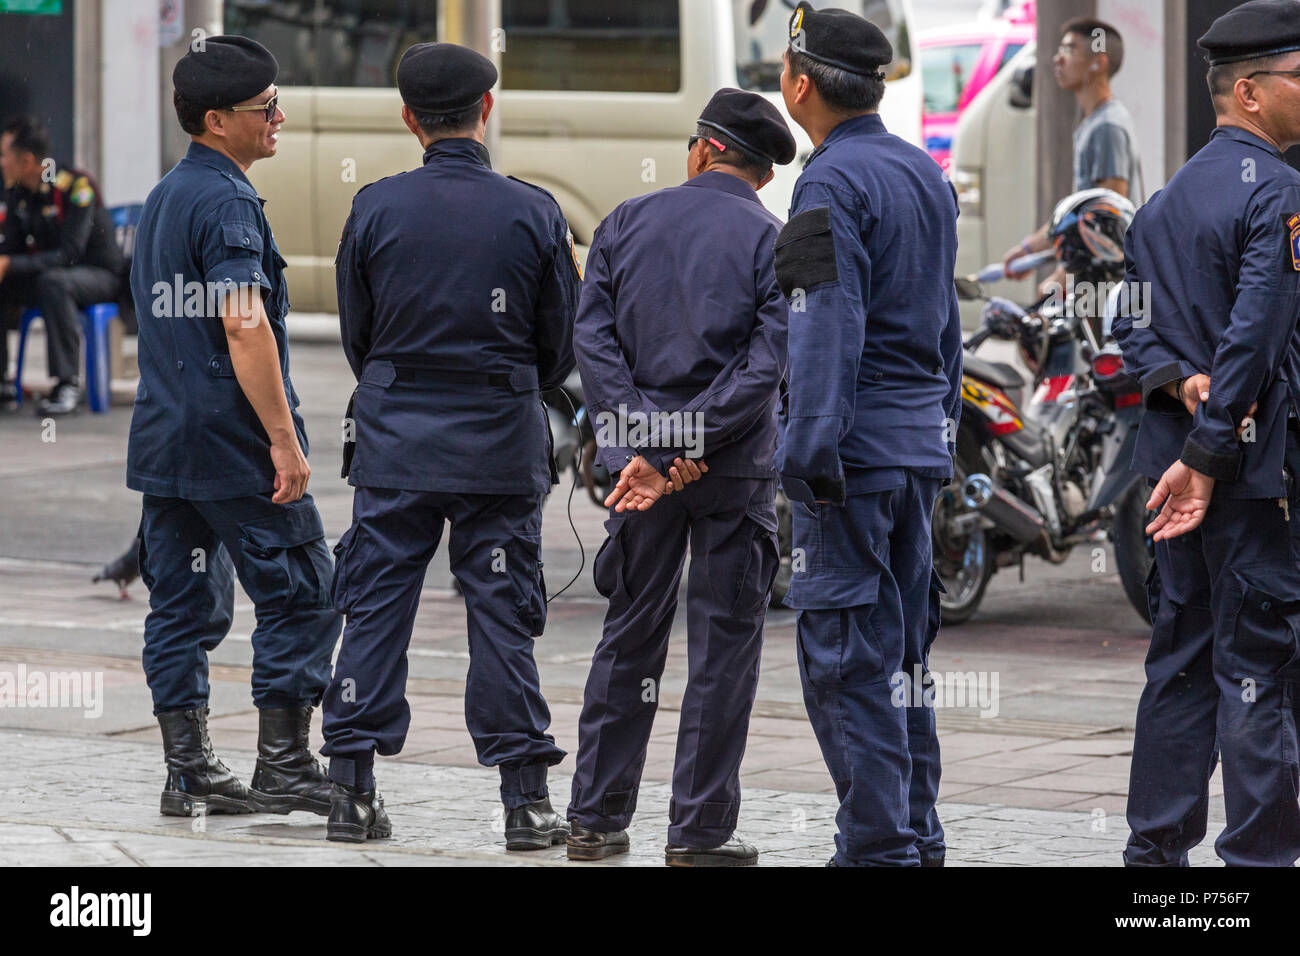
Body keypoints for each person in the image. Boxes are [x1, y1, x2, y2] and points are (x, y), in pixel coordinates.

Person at [321, 42, 579, 848]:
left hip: (396, 445)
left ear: (409, 119)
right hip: (498, 449)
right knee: (502, 615)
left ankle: (352, 793)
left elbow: (359, 339)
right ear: (486, 110)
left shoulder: (374, 208)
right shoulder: (532, 210)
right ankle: (526, 803)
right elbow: (559, 351)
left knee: (374, 611)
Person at [565, 88, 795, 867]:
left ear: (700, 148)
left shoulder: (626, 221)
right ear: (762, 174)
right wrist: (683, 445)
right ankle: (697, 835)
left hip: (636, 471)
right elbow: (767, 366)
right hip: (731, 471)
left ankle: (593, 821)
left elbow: (590, 336)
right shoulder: (773, 238)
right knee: (723, 653)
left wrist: (641, 441)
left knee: (629, 639)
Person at [128, 36, 340, 819]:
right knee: (306, 591)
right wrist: (283, 441)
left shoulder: (166, 195)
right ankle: (283, 763)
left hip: (167, 437)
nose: (279, 117)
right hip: (229, 439)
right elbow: (244, 325)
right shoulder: (225, 200)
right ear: (217, 120)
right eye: (265, 109)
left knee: (182, 603)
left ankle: (189, 770)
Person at [1112, 0, 1300, 867]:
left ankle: (1155, 860)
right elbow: (1258, 330)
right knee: (1257, 663)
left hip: (1170, 479)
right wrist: (1214, 443)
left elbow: (1130, 328)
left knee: (1179, 659)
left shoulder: (1164, 201)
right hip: (1244, 476)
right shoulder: (1284, 194)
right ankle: (1259, 864)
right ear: (1252, 93)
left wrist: (1178, 385)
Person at [776, 2, 963, 867]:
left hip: (849, 458)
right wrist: (941, 432)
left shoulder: (827, 184)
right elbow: (945, 318)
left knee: (849, 664)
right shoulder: (923, 173)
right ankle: (916, 837)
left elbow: (826, 322)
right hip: (916, 449)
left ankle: (876, 850)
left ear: (799, 83)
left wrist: (808, 453)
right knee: (903, 660)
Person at [1001, 17, 1143, 293]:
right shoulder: (1095, 122)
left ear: (1098, 63)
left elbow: (1106, 217)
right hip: (1094, 278)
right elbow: (1077, 215)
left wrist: (1062, 276)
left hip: (1106, 285)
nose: (1057, 59)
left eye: (1069, 50)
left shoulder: (1108, 126)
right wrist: (1028, 249)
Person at [0, 116, 124, 413]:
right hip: (52, 275)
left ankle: (66, 383)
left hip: (99, 276)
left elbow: (70, 253)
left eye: (4, 155)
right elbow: (12, 249)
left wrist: (10, 264)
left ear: (27, 160)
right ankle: (3, 382)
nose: (1, 163)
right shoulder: (19, 194)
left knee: (54, 283)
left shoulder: (75, 186)